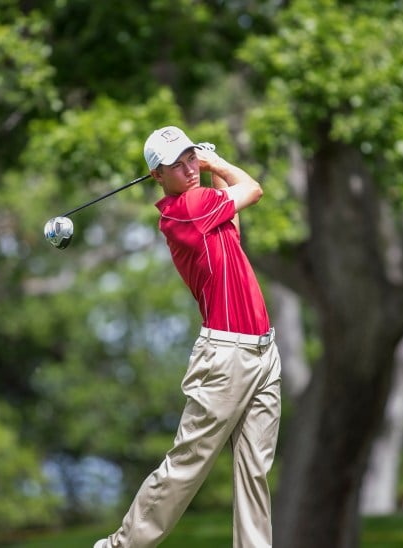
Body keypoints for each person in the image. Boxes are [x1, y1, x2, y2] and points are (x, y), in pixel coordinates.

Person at [94, 126, 282, 548]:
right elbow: (251, 189)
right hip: (227, 357)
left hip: (263, 350)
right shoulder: (186, 209)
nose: (189, 169)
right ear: (157, 176)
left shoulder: (206, 209)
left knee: (254, 471)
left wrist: (209, 167)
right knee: (187, 464)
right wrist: (216, 162)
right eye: (175, 165)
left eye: (190, 158)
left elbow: (231, 216)